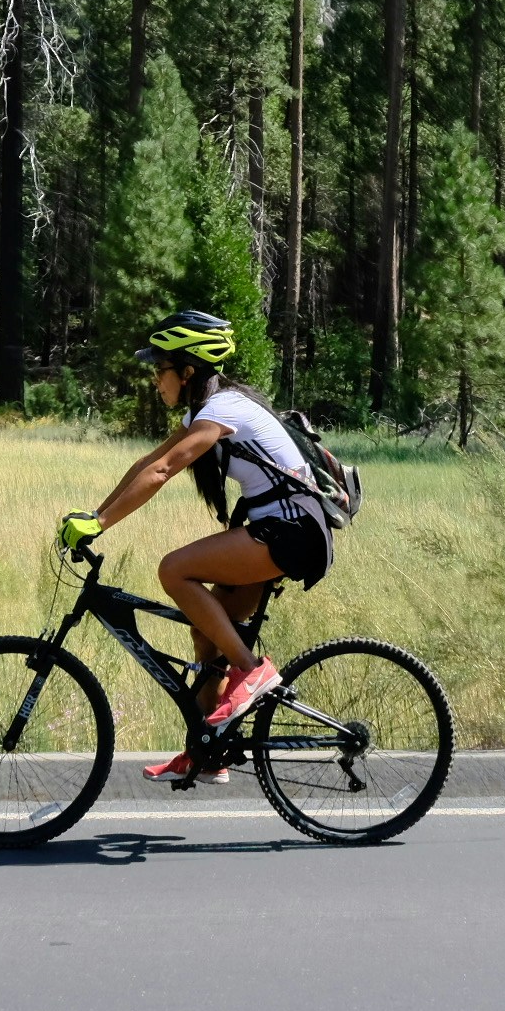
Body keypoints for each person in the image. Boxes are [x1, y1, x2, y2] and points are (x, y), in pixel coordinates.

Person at [56, 310, 330, 781]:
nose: (154, 379)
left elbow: (163, 472)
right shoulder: (206, 411)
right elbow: (152, 460)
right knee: (207, 635)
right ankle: (208, 752)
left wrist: (101, 523)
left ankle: (252, 671)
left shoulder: (223, 410)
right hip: (282, 529)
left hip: (291, 532)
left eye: (159, 369)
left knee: (173, 570)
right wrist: (93, 514)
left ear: (187, 372)